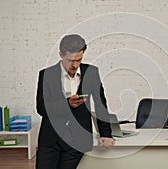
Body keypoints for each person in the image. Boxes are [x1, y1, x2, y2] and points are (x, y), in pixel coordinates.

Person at [36, 34, 115, 169]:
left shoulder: (91, 72)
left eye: (79, 60)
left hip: (77, 139)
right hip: (50, 139)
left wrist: (106, 134)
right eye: (71, 60)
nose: (75, 65)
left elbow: (100, 104)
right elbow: (42, 108)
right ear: (61, 54)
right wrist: (67, 104)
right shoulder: (46, 75)